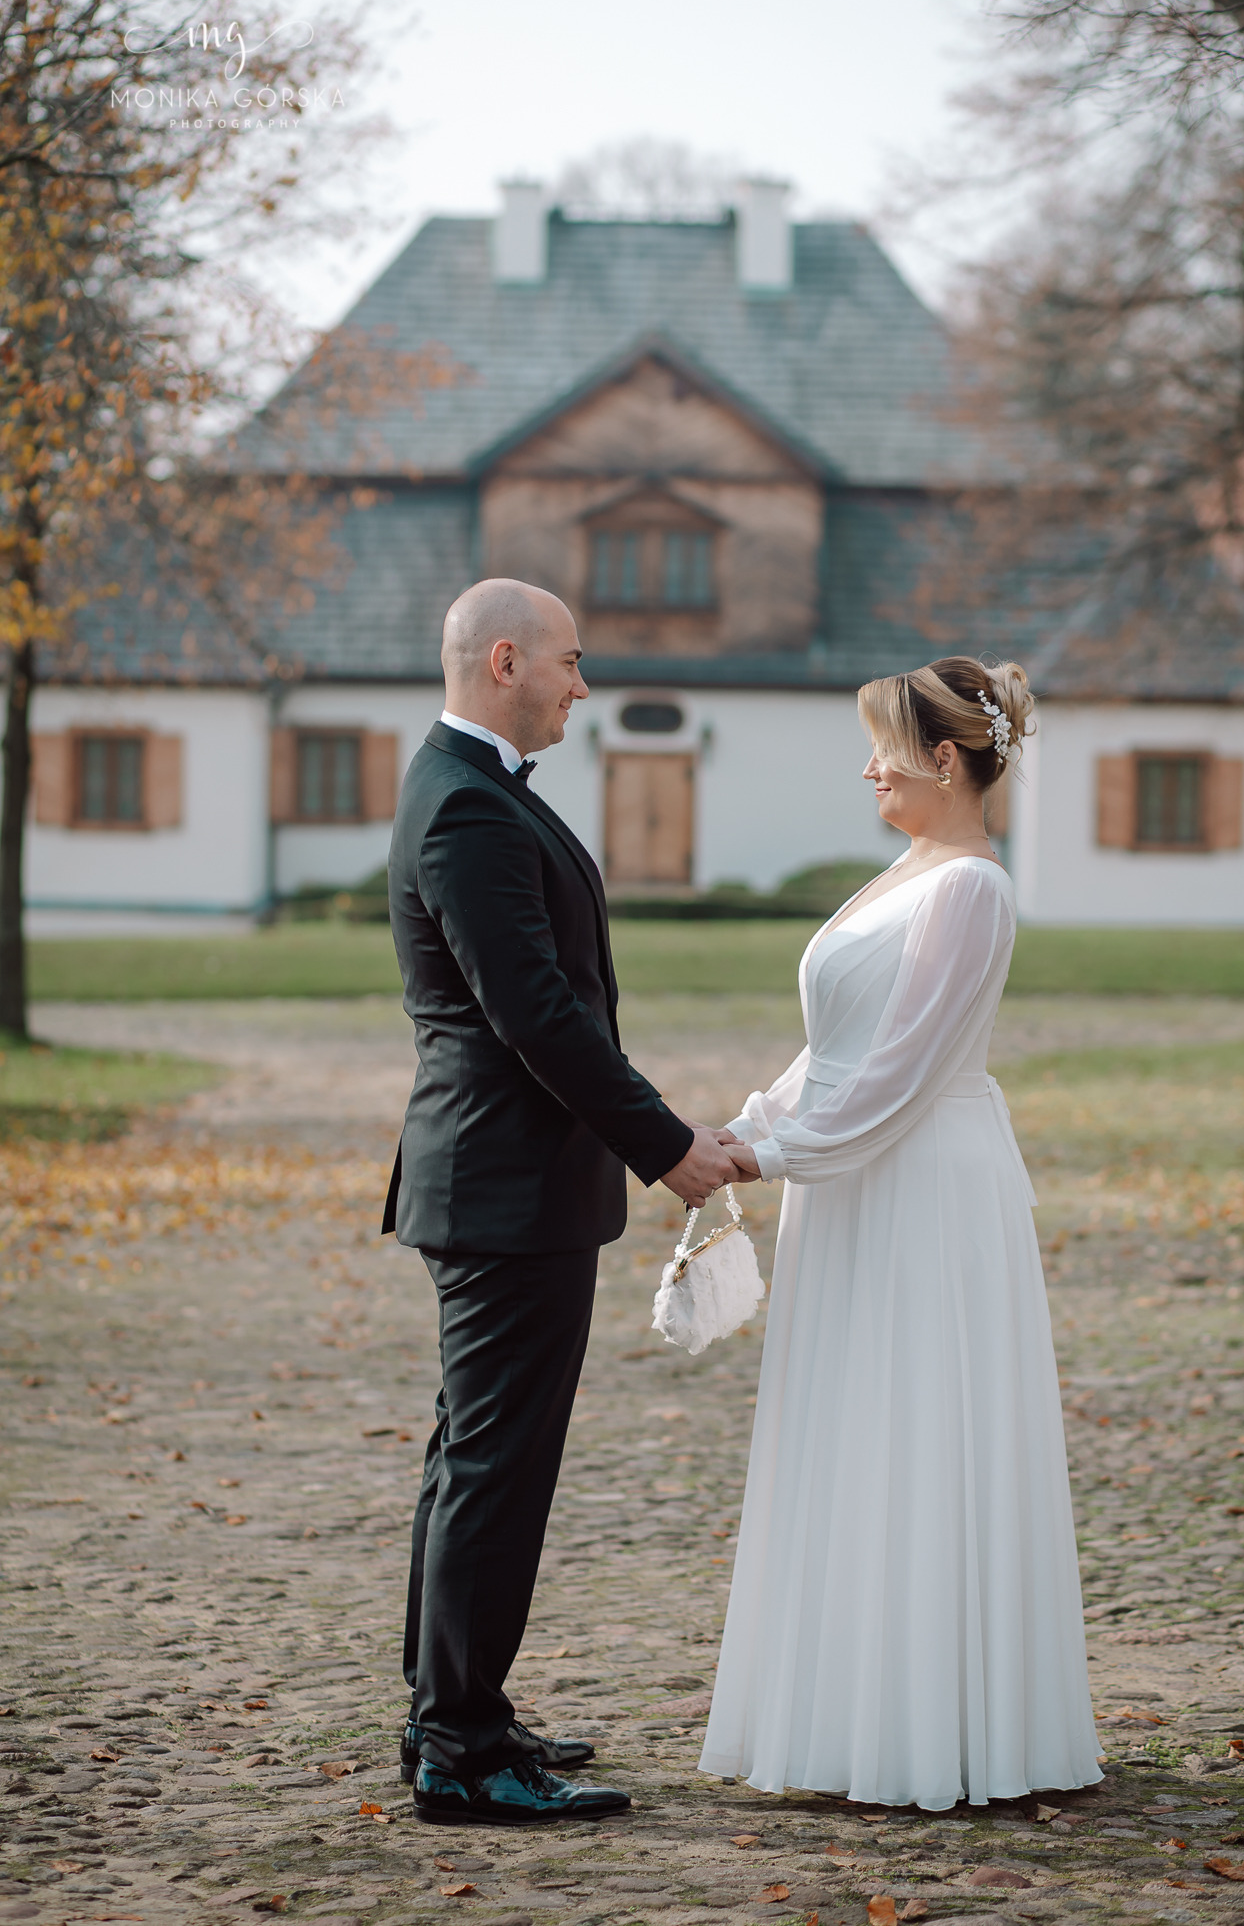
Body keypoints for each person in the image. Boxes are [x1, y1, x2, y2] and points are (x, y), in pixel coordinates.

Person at [702, 656, 1103, 1811]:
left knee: (920, 1423)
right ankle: (854, 1711)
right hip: (855, 1175)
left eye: (882, 743)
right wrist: (744, 1124)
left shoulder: (973, 887)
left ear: (943, 758)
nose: (865, 764)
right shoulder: (909, 867)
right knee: (854, 1424)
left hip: (924, 1184)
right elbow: (839, 1045)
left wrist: (771, 1155)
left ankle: (944, 1723)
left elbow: (903, 1075)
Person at [384, 578, 739, 1827]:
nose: (582, 686)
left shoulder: (474, 789)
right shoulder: (468, 811)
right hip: (505, 1188)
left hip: (502, 1184)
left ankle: (454, 1707)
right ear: (504, 661)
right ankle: (464, 1753)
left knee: (469, 1459)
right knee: (494, 1465)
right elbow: (535, 1015)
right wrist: (666, 1145)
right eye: (571, 664)